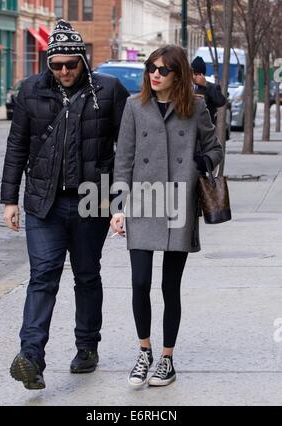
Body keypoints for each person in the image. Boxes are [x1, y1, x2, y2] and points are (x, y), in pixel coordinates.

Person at [1, 19, 129, 390]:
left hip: (93, 202)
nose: (64, 71)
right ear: (47, 63)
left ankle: (87, 347)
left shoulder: (108, 91)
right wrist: (10, 198)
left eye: (71, 64)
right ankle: (31, 358)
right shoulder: (31, 91)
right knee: (43, 276)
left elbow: (126, 150)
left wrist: (119, 202)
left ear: (83, 61)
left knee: (87, 275)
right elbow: (16, 146)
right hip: (45, 203)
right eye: (56, 65)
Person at [110, 45, 223, 388]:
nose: (154, 74)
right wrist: (117, 207)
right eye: (150, 68)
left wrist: (198, 165)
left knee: (169, 286)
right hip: (143, 203)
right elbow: (123, 160)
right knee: (140, 282)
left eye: (163, 69)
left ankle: (167, 359)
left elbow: (214, 149)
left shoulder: (196, 107)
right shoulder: (134, 107)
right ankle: (143, 352)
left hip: (178, 204)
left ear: (178, 75)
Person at [191, 56, 226, 125]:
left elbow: (221, 101)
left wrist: (206, 85)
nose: (194, 77)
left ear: (202, 75)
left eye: (197, 74)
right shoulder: (187, 86)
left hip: (206, 128)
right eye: (192, 74)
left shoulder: (211, 87)